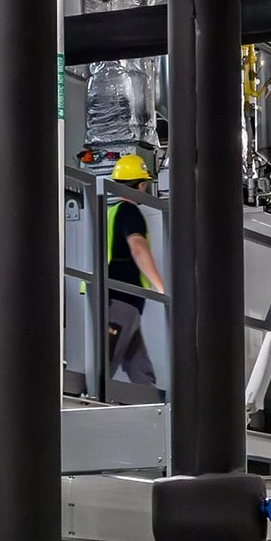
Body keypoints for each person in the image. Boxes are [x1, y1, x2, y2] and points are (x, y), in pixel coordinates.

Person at [103, 154, 165, 388]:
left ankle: (150, 404)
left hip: (118, 298)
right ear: (140, 185)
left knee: (138, 365)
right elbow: (138, 248)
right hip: (121, 298)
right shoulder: (130, 212)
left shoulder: (111, 212)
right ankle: (92, 403)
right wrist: (161, 287)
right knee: (107, 360)